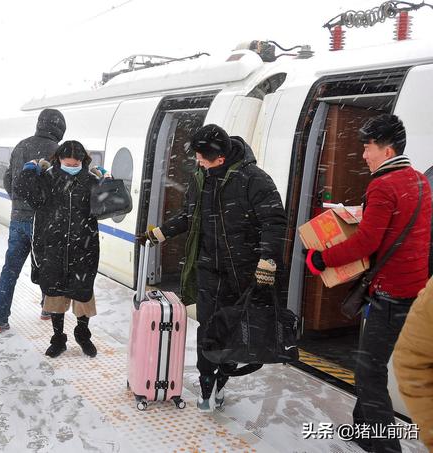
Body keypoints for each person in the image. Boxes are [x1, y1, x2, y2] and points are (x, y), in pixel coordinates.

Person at [305, 114, 431, 453]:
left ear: (387, 151)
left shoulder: (383, 184)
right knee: (369, 361)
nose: (363, 155)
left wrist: (321, 259)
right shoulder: (419, 180)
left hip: (390, 295)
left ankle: (386, 448)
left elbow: (366, 243)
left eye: (367, 148)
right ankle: (363, 430)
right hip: (413, 291)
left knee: (368, 372)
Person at [142, 124, 287, 412]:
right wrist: (161, 233)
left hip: (243, 272)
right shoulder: (201, 178)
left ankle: (222, 382)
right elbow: (188, 215)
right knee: (208, 329)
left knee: (231, 331)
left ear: (220, 159)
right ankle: (207, 384)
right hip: (208, 269)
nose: (197, 162)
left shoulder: (254, 180)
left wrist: (267, 262)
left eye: (202, 158)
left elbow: (274, 222)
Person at [14, 140, 103, 358]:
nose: (71, 165)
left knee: (83, 293)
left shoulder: (91, 181)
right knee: (55, 294)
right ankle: (58, 339)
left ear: (83, 161)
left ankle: (83, 334)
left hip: (84, 246)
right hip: (53, 245)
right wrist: (29, 173)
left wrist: (108, 182)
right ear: (59, 159)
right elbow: (25, 193)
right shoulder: (47, 178)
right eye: (67, 162)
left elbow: (108, 208)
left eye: (76, 162)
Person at [0, 108, 66, 332]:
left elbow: (8, 179)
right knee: (46, 265)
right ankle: (47, 308)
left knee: (10, 269)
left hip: (18, 220)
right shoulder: (57, 151)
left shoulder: (21, 146)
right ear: (59, 128)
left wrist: (17, 199)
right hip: (43, 221)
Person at [392, 277, 433, 451]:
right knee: (369, 375)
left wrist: (321, 260)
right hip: (392, 299)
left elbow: (411, 362)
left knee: (369, 375)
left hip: (390, 300)